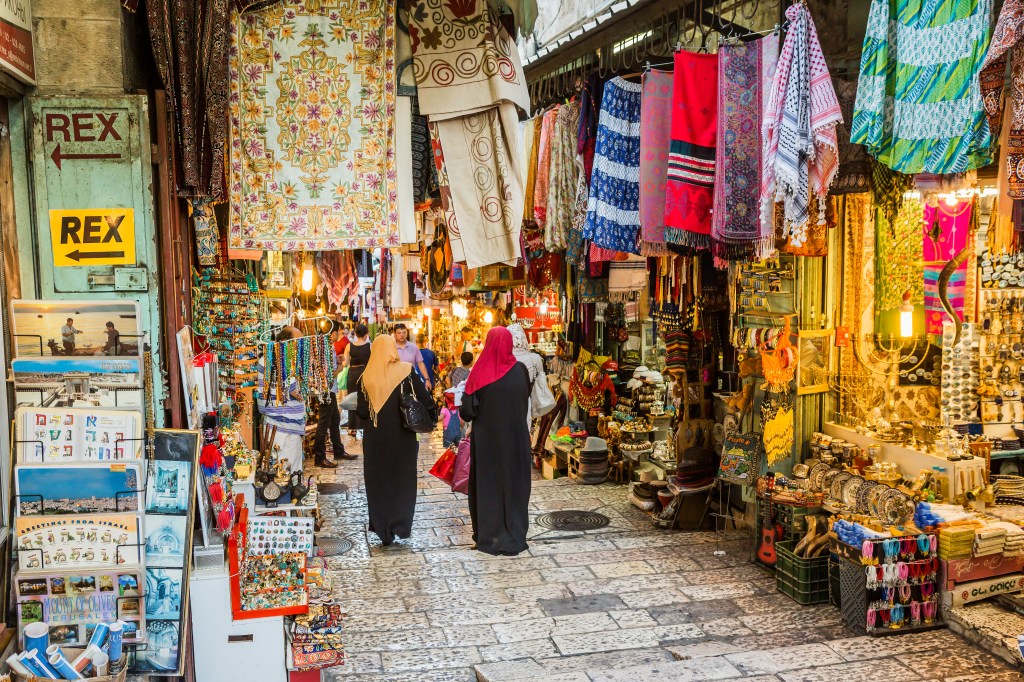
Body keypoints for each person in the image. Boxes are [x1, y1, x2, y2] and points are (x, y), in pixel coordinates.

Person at [459, 327, 532, 556]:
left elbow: (467, 411)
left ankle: (490, 535)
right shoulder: (520, 370)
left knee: (489, 486)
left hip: (489, 442)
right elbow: (525, 398)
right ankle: (515, 532)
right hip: (517, 440)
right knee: (514, 484)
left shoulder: (479, 373)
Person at [356, 335, 433, 546]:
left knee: (378, 480)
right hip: (403, 438)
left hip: (375, 440)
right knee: (402, 479)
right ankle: (401, 524)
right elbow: (424, 399)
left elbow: (362, 412)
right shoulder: (406, 370)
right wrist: (432, 415)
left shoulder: (366, 376)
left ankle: (383, 528)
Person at [257, 326, 307, 473]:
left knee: (288, 475)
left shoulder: (276, 358)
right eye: (297, 342)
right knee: (285, 475)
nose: (300, 346)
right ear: (285, 341)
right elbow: (297, 392)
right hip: (282, 429)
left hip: (286, 427)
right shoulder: (275, 358)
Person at [311, 335, 351, 468]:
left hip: (331, 390)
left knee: (335, 421)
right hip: (326, 390)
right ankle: (320, 457)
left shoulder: (329, 348)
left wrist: (337, 360)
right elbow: (325, 376)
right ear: (332, 332)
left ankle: (338, 450)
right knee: (324, 423)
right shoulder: (323, 348)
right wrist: (340, 368)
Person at [508, 322, 546, 426]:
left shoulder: (502, 360)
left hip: (506, 402)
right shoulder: (535, 358)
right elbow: (542, 384)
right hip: (527, 400)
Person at [343, 323, 371, 436]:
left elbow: (345, 363)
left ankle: (352, 427)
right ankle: (365, 424)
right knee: (365, 399)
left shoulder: (349, 346)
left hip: (353, 374)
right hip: (365, 373)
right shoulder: (370, 346)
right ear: (366, 335)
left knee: (352, 399)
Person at [394, 323, 431, 390]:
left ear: (407, 333)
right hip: (395, 383)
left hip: (411, 381)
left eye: (404, 332)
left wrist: (427, 379)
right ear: (395, 334)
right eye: (399, 333)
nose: (402, 335)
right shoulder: (391, 348)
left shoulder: (413, 347)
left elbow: (420, 363)